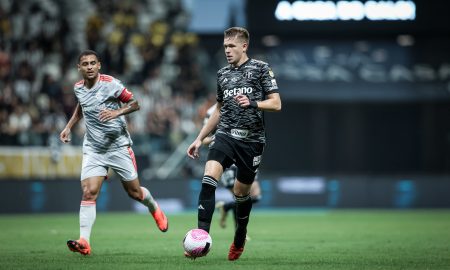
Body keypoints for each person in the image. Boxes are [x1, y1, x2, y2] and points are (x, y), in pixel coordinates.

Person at [60, 50, 168, 256]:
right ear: (79, 68)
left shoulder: (111, 84)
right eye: (85, 64)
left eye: (93, 63)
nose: (90, 66)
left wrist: (116, 112)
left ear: (99, 65)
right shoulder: (78, 88)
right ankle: (85, 241)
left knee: (135, 193)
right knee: (89, 192)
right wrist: (69, 126)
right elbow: (81, 107)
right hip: (93, 148)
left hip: (118, 146)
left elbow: (135, 103)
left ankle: (153, 207)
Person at [187, 27, 281, 261]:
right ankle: (201, 239)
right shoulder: (222, 74)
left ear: (244, 46)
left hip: (252, 140)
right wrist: (199, 139)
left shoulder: (261, 69)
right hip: (225, 135)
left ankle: (240, 236)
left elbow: (276, 103)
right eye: (225, 46)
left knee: (241, 194)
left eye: (231, 46)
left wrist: (253, 103)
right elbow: (219, 109)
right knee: (208, 181)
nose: (227, 50)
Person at [202, 104, 262, 230]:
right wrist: (220, 138)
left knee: (256, 196)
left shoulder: (247, 101)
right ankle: (239, 233)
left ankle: (226, 207)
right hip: (227, 160)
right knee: (239, 197)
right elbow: (204, 140)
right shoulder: (212, 111)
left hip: (246, 155)